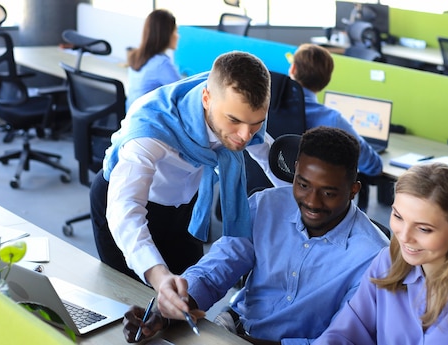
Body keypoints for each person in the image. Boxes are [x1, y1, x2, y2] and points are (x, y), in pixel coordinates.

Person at [122, 127, 390, 344]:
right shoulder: (265, 205)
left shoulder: (373, 257)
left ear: (354, 189)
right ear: (295, 172)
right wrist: (166, 309)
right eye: (302, 184)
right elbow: (216, 269)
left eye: (328, 192)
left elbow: (344, 339)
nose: (311, 201)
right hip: (237, 327)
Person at [90, 51, 273, 292]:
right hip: (125, 203)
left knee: (189, 294)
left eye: (256, 123)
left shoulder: (240, 111)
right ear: (206, 99)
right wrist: (158, 276)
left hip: (185, 205)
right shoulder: (152, 127)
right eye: (234, 121)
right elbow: (125, 208)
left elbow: (268, 155)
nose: (245, 135)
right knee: (132, 298)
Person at [312, 163, 448, 345]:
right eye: (398, 216)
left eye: (423, 229)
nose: (404, 236)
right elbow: (344, 333)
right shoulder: (387, 262)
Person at [288, 43, 384, 212]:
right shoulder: (332, 120)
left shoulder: (269, 108)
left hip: (272, 189)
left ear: (293, 69)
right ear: (327, 80)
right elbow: (372, 165)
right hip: (315, 204)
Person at [125, 9, 181, 111]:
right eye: (175, 31)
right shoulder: (161, 64)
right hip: (147, 123)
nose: (178, 36)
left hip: (132, 118)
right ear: (166, 34)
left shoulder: (135, 55)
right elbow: (184, 93)